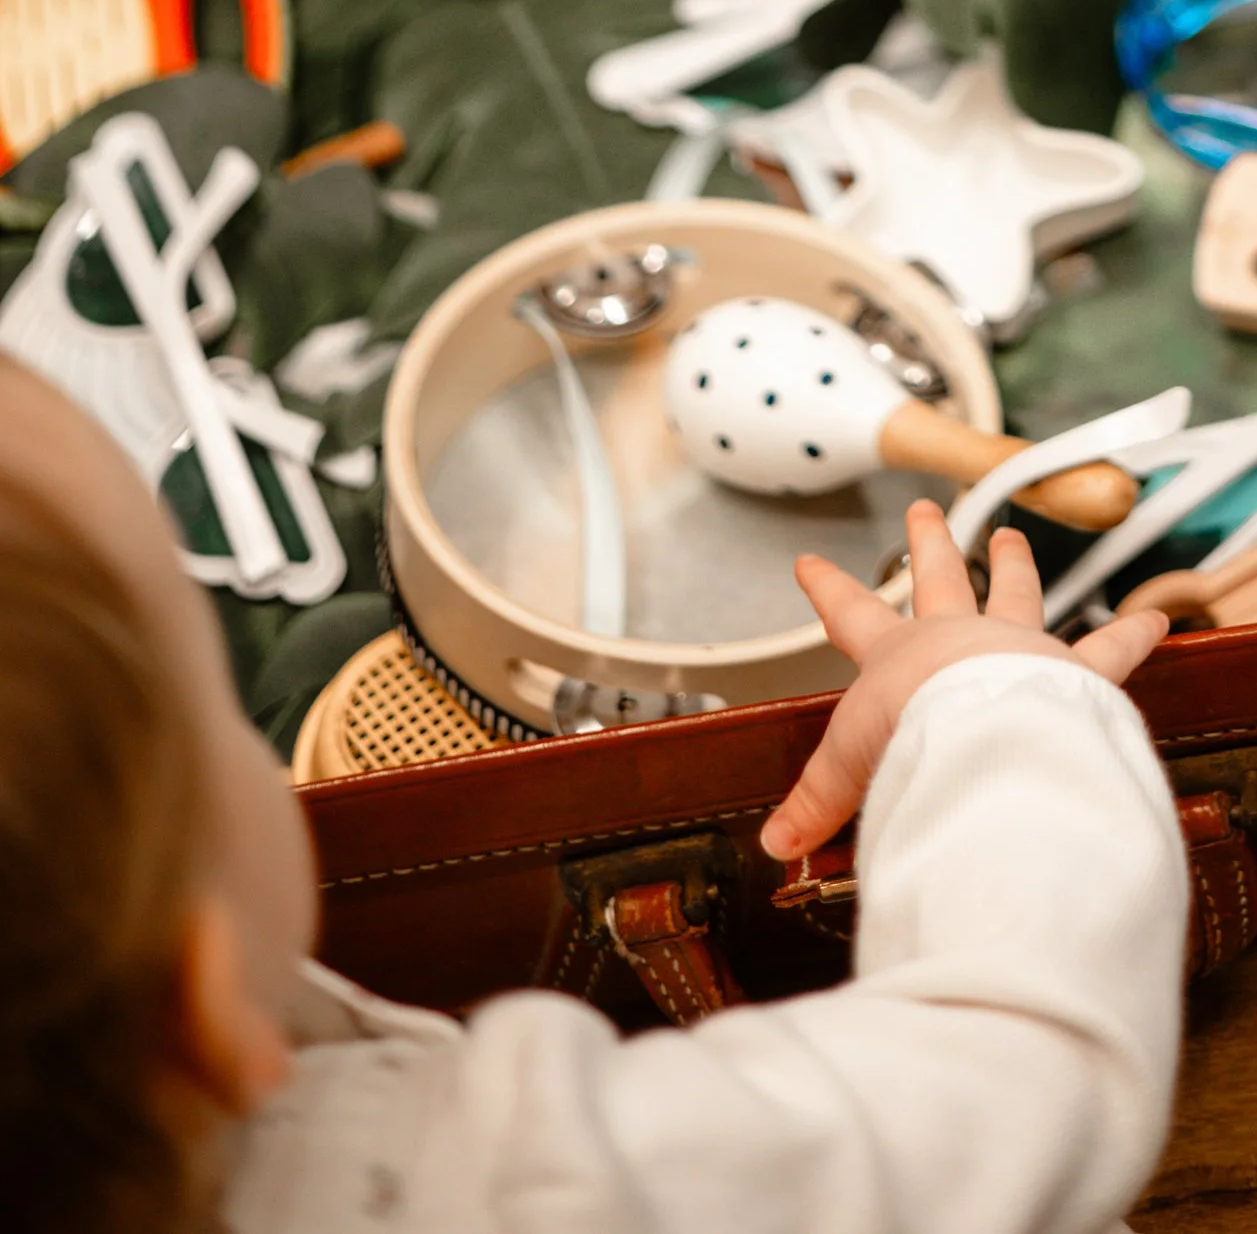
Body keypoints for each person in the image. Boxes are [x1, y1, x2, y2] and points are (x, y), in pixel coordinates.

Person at [0, 355, 1185, 1234]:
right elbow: (1016, 1073)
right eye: (213, 697)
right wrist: (993, 702)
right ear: (196, 1007)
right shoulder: (526, 1187)